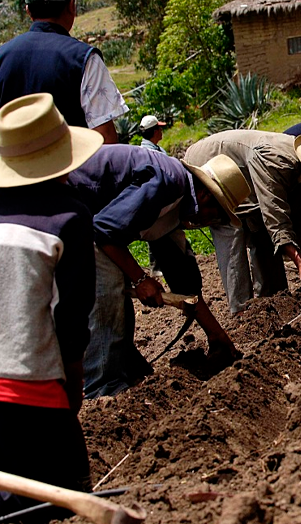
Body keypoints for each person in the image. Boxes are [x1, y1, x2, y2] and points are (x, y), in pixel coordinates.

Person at [0, 94, 103, 520]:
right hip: (29, 390)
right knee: (64, 501)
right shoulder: (69, 217)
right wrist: (73, 385)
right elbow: (71, 318)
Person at [66, 146, 249, 398]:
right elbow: (103, 232)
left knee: (115, 285)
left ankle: (125, 367)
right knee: (108, 283)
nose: (207, 223)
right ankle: (102, 385)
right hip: (62, 204)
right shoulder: (167, 183)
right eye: (214, 216)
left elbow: (186, 289)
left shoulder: (174, 210)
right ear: (206, 197)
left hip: (86, 220)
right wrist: (141, 279)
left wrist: (217, 335)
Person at [184, 132, 301, 312]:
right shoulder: (276, 161)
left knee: (261, 232)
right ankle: (242, 312)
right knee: (232, 232)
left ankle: (274, 300)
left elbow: (300, 219)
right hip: (212, 167)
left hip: (246, 175)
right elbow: (275, 218)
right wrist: (299, 263)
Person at [0, 0, 128, 145]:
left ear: (28, 10)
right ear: (72, 6)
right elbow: (104, 136)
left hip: (17, 170)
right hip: (74, 171)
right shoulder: (84, 59)